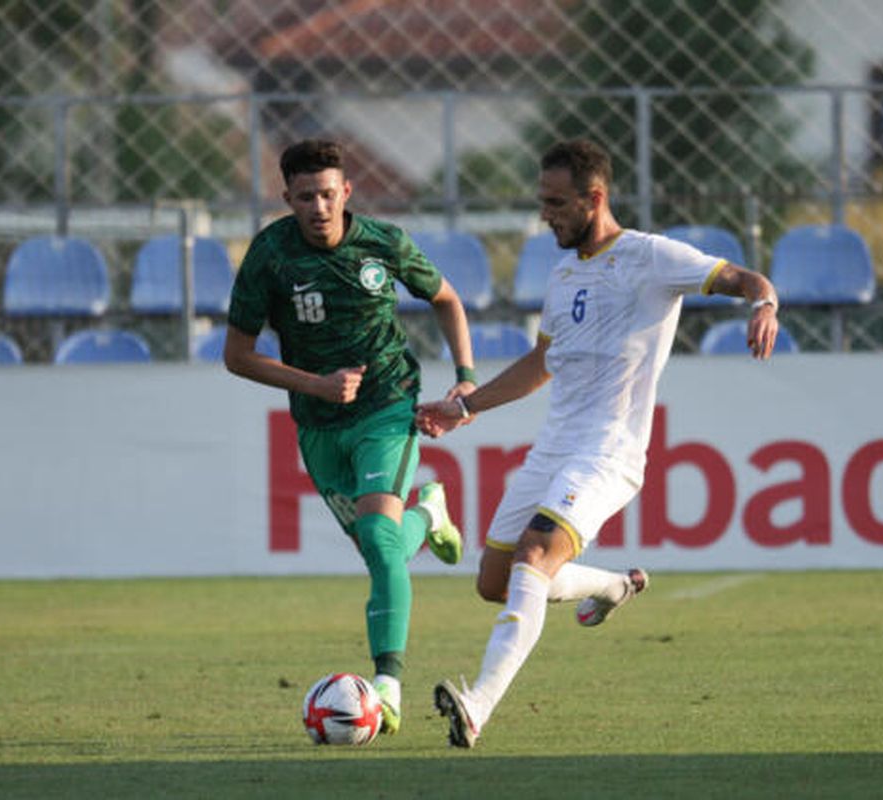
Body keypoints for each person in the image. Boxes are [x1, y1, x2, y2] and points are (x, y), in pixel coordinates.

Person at [417, 139, 781, 748]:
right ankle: (613, 585)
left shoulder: (649, 256)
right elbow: (542, 362)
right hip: (553, 448)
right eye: (542, 202)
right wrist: (466, 408)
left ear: (596, 198)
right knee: (494, 580)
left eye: (557, 203)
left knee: (535, 556)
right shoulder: (561, 274)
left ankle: (478, 703)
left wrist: (765, 303)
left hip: (609, 451)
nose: (545, 214)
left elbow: (745, 277)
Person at [223, 138, 476, 736]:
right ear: (286, 197)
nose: (318, 207)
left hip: (388, 406)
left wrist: (465, 379)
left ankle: (386, 687)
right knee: (380, 546)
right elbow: (236, 355)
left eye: (328, 194)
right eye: (305, 196)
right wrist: (315, 384)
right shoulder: (270, 256)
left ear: (347, 193)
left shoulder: (383, 245)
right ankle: (429, 512)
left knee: (379, 545)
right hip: (318, 424)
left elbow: (446, 299)